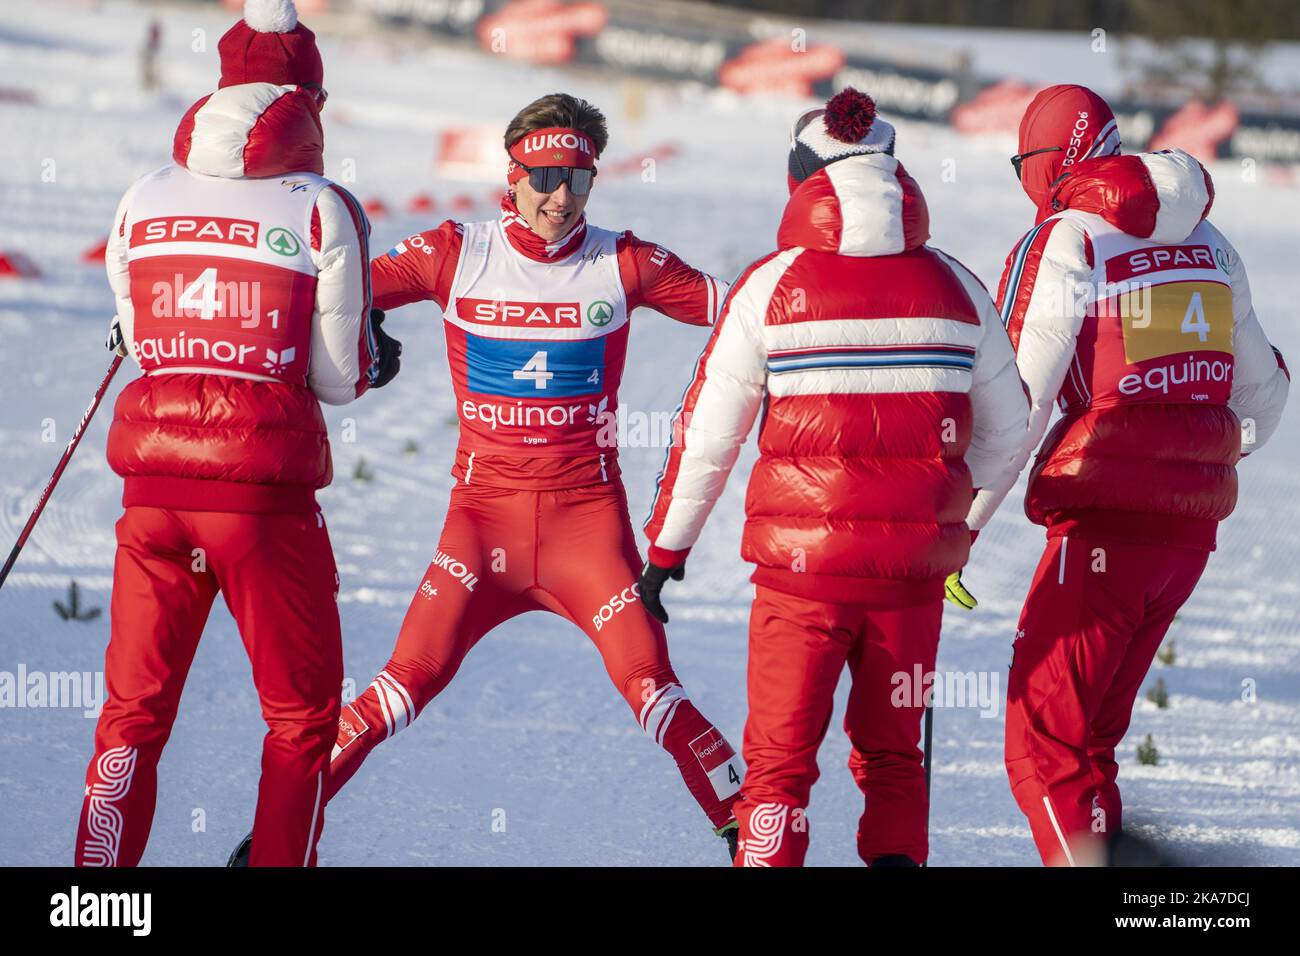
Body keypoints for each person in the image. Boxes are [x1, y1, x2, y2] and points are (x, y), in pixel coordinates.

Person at [233, 92, 744, 866]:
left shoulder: (625, 259)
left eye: (577, 176)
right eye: (543, 176)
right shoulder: (453, 252)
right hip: (480, 533)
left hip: (587, 538)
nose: (560, 196)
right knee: (397, 691)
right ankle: (271, 846)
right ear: (511, 175)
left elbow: (756, 315)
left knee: (654, 691)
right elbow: (323, 291)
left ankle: (757, 838)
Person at [639, 88, 1033, 867]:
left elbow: (707, 434)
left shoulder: (771, 284)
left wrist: (666, 550)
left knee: (780, 771)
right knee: (893, 760)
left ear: (804, 180)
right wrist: (948, 510)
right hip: (912, 581)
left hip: (801, 580)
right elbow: (1010, 426)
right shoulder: (955, 283)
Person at [78, 0, 399, 867]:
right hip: (263, 502)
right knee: (299, 720)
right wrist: (377, 356)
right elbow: (340, 377)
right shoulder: (324, 207)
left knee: (132, 714)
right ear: (311, 100)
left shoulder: (143, 195)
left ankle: (96, 898)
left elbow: (141, 341)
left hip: (152, 496)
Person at [988, 84, 1290, 865]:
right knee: (1090, 741)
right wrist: (1191, 454)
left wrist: (958, 520)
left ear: (1052, 160)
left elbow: (1016, 402)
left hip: (1102, 526)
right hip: (1187, 536)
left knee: (1042, 744)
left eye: (1024, 160)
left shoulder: (1068, 238)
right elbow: (1265, 391)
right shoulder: (1210, 238)